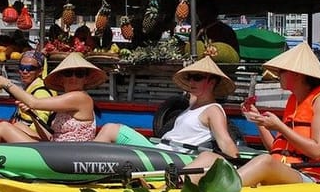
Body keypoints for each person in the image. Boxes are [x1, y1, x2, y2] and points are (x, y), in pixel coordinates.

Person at [188, 42, 320, 186]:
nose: (277, 74)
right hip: (284, 171)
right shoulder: (294, 101)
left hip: (307, 177)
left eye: (281, 71)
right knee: (209, 157)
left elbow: (317, 151)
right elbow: (276, 149)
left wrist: (279, 126)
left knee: (265, 160)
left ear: (298, 74)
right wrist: (260, 122)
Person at [93, 56, 239, 159]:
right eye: (190, 77)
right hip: (161, 149)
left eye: (198, 78)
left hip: (172, 157)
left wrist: (235, 162)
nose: (192, 82)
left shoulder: (213, 110)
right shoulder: (194, 106)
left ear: (212, 82)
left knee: (110, 129)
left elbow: (225, 140)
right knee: (111, 128)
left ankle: (81, 170)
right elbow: (192, 98)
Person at [0, 52, 107, 144]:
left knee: (3, 127)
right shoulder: (67, 100)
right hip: (58, 148)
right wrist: (33, 116)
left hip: (68, 155)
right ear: (61, 79)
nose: (73, 77)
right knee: (19, 125)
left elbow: (34, 102)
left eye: (79, 74)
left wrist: (6, 83)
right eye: (68, 73)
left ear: (85, 79)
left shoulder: (80, 97)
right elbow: (50, 136)